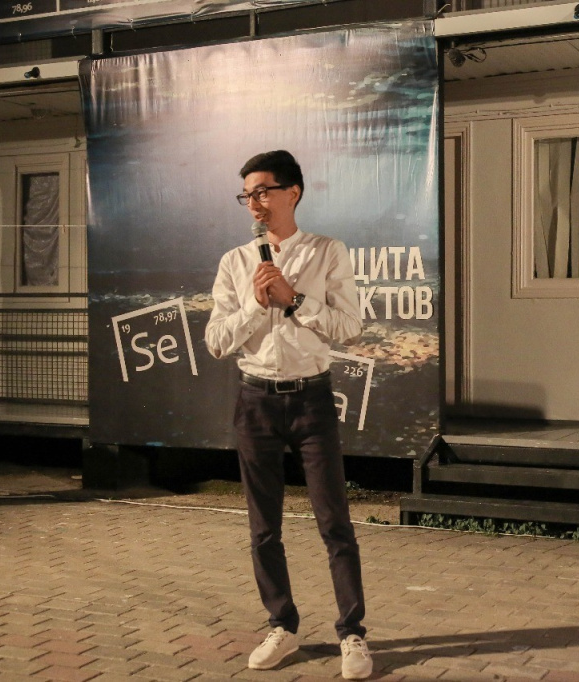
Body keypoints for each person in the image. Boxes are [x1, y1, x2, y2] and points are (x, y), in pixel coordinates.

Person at [205, 150, 371, 679]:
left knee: (334, 522)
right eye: (246, 195)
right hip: (255, 399)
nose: (253, 203)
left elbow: (349, 327)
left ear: (292, 192)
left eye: (262, 191)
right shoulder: (235, 262)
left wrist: (294, 299)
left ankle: (352, 633)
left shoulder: (326, 252)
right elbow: (216, 341)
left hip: (311, 399)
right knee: (263, 528)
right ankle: (282, 624)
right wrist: (257, 304)